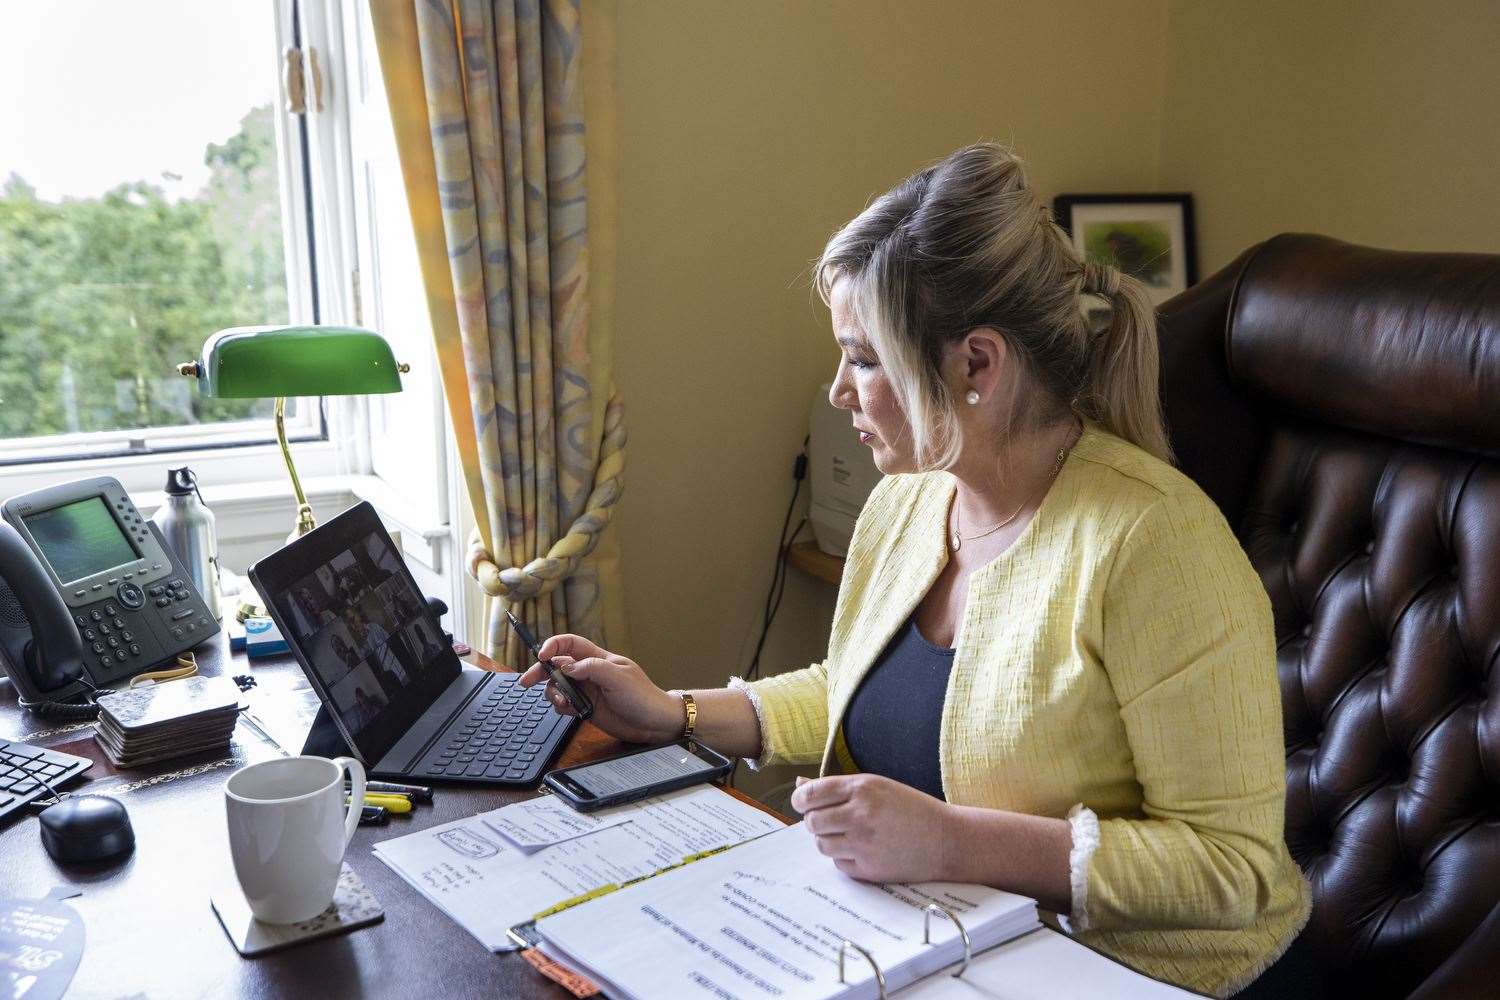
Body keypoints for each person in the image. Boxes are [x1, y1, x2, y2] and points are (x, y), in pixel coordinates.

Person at [519, 143, 1313, 999]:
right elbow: (860, 686)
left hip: (1157, 977)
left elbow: (1232, 870)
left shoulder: (1154, 543)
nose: (838, 390)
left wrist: (950, 841)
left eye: (863, 358)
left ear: (977, 363)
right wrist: (675, 712)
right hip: (955, 946)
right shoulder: (909, 500)